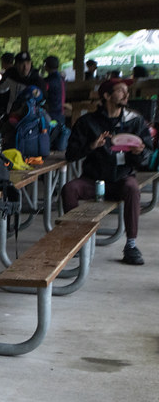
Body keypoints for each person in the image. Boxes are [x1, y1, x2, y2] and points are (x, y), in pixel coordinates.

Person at [62, 77, 152, 265]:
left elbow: (147, 156)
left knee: (133, 188)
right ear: (106, 95)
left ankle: (131, 245)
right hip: (93, 180)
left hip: (122, 178)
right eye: (121, 90)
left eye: (127, 91)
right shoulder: (87, 122)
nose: (126, 94)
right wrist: (91, 146)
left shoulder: (135, 121)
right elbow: (70, 155)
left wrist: (140, 152)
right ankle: (77, 240)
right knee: (69, 188)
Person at [42, 55, 66, 123]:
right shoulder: (60, 78)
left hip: (53, 113)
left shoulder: (49, 81)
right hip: (61, 112)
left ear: (47, 66)